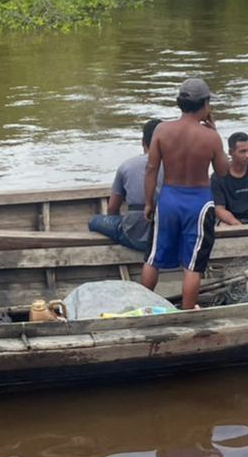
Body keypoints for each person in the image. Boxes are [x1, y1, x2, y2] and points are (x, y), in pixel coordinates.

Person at [142, 78, 231, 311]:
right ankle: (188, 311)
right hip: (198, 203)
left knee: (153, 258)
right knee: (193, 264)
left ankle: (141, 306)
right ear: (205, 104)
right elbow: (223, 172)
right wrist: (215, 133)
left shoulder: (161, 130)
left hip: (169, 198)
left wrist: (149, 203)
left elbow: (151, 169)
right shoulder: (210, 137)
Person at [88, 118, 164, 252]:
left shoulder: (126, 166)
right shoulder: (177, 167)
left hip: (134, 235)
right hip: (167, 235)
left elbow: (112, 209)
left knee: (94, 221)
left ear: (143, 143)